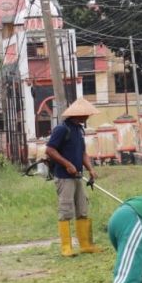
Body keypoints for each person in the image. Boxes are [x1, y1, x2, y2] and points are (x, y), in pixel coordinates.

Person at [44, 97, 101, 257]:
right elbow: (50, 150)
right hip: (64, 177)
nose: (88, 116)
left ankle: (85, 245)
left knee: (82, 209)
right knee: (66, 211)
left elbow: (83, 153)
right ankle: (66, 248)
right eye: (86, 114)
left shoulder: (79, 130)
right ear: (78, 114)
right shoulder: (62, 129)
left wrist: (90, 169)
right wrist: (67, 164)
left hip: (78, 176)